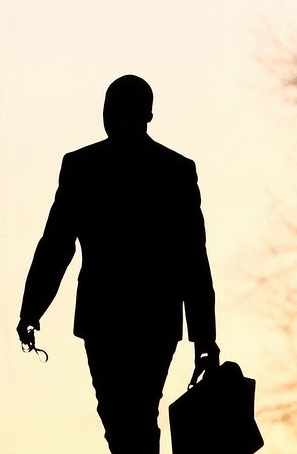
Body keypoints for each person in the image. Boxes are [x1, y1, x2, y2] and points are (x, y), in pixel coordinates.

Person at [16, 74, 219, 454]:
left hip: (104, 319)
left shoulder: (82, 167)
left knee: (121, 419)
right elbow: (193, 260)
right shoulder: (175, 170)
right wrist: (204, 338)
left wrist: (32, 309)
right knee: (138, 415)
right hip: (155, 319)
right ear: (149, 114)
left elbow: (56, 246)